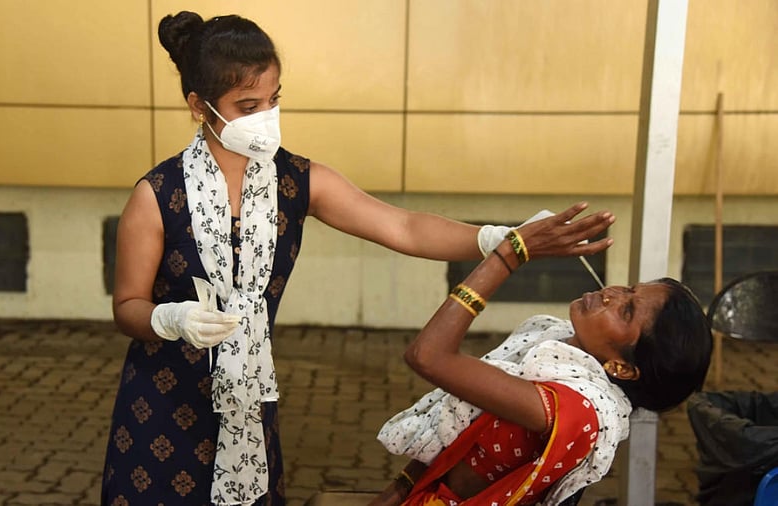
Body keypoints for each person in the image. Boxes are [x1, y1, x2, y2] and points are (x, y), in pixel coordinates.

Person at [100, 11, 612, 506]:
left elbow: (404, 227)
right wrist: (171, 318)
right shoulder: (158, 194)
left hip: (248, 401)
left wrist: (504, 237)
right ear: (199, 105)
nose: (266, 118)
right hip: (161, 404)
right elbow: (128, 306)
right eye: (247, 105)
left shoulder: (295, 179)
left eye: (274, 100)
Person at [368, 204, 713, 506]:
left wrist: (509, 254)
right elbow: (459, 432)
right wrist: (400, 489)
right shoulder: (554, 348)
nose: (611, 294)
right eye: (627, 290)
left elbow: (427, 355)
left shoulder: (575, 409)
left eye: (627, 311)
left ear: (622, 367)